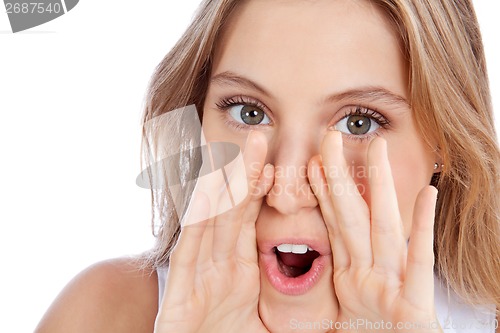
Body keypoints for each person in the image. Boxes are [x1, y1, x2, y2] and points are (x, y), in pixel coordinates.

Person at [35, 0, 499, 332]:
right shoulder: (100, 315)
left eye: (358, 122)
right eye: (248, 113)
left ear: (444, 142)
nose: (286, 190)